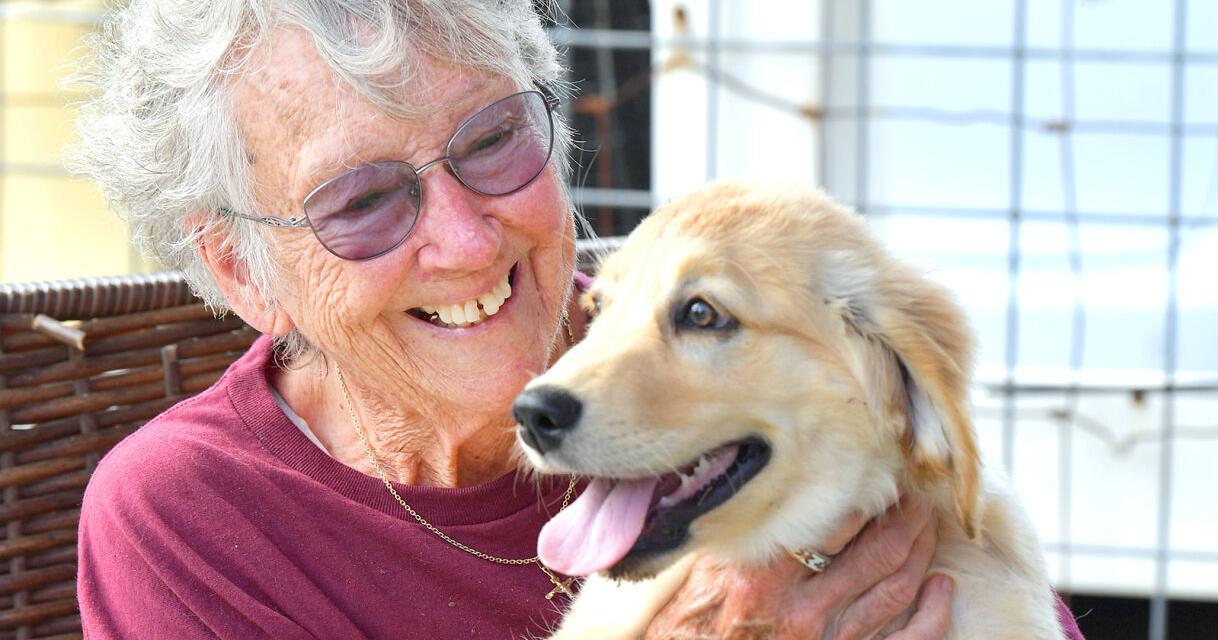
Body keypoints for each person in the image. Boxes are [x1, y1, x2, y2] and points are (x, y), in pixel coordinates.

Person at [70, 1, 1082, 638]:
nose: (467, 241)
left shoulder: (744, 370)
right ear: (241, 270)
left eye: (495, 137)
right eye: (364, 202)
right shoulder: (193, 521)